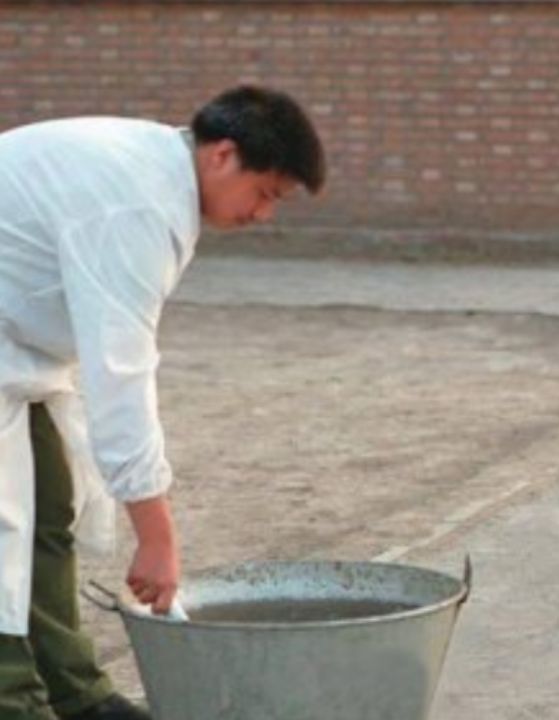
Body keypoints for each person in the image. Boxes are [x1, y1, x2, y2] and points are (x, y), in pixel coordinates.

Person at [0, 86, 325, 720]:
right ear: (223, 155)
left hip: (13, 353)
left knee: (45, 505)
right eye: (266, 194)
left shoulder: (155, 171)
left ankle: (73, 691)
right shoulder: (136, 206)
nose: (264, 216)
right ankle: (12, 700)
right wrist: (157, 538)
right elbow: (119, 375)